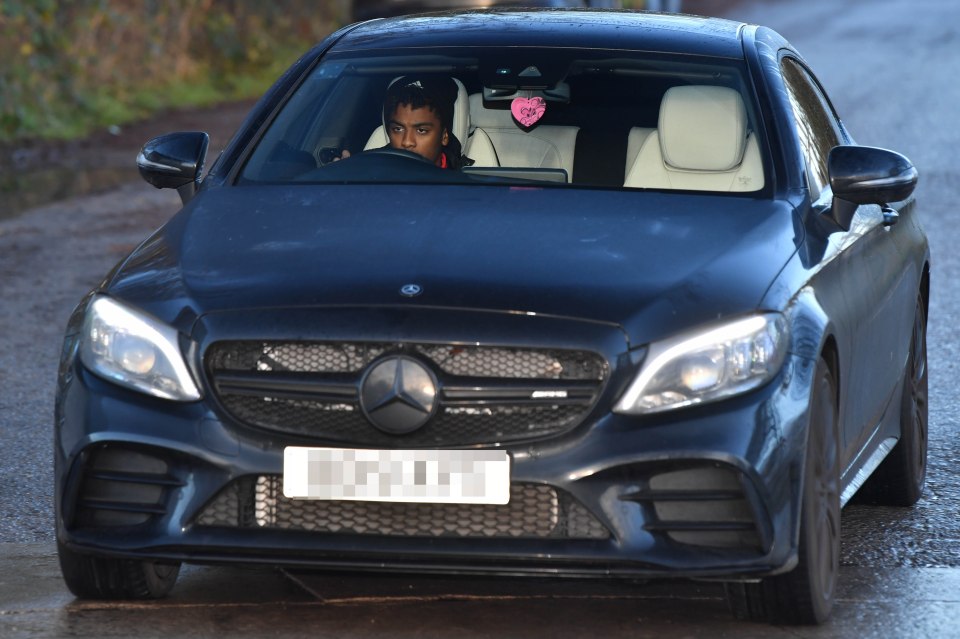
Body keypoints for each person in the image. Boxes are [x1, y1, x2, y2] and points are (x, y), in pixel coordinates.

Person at [339, 75, 473, 169]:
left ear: (444, 136)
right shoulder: (367, 171)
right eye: (398, 129)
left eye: (421, 130)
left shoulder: (466, 184)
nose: (407, 142)